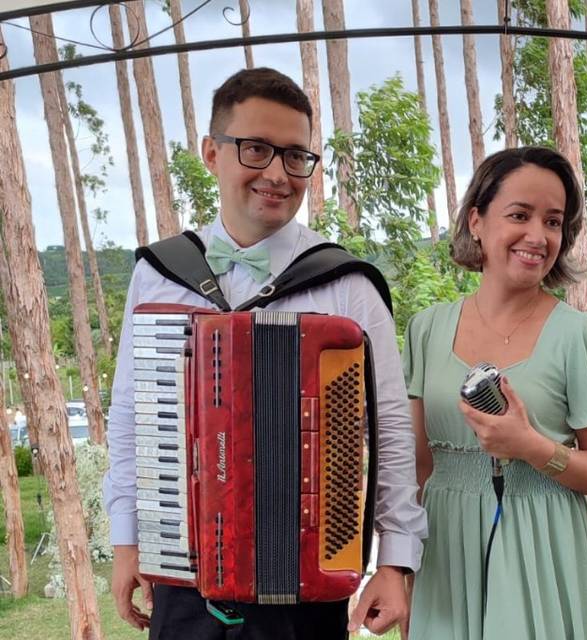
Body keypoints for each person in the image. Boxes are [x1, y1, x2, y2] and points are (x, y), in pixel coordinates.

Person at [102, 67, 427, 640]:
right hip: (184, 562)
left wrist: (395, 561)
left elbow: (392, 428)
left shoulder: (347, 283)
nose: (277, 174)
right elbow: (132, 414)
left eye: (296, 156)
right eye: (256, 149)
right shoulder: (159, 274)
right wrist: (128, 536)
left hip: (305, 571)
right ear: (211, 153)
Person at [402, 146, 587, 639]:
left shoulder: (578, 335)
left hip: (544, 545)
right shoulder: (425, 330)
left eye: (554, 222)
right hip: (446, 546)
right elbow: (417, 467)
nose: (538, 236)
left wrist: (533, 448)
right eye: (520, 215)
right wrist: (403, 572)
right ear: (477, 220)